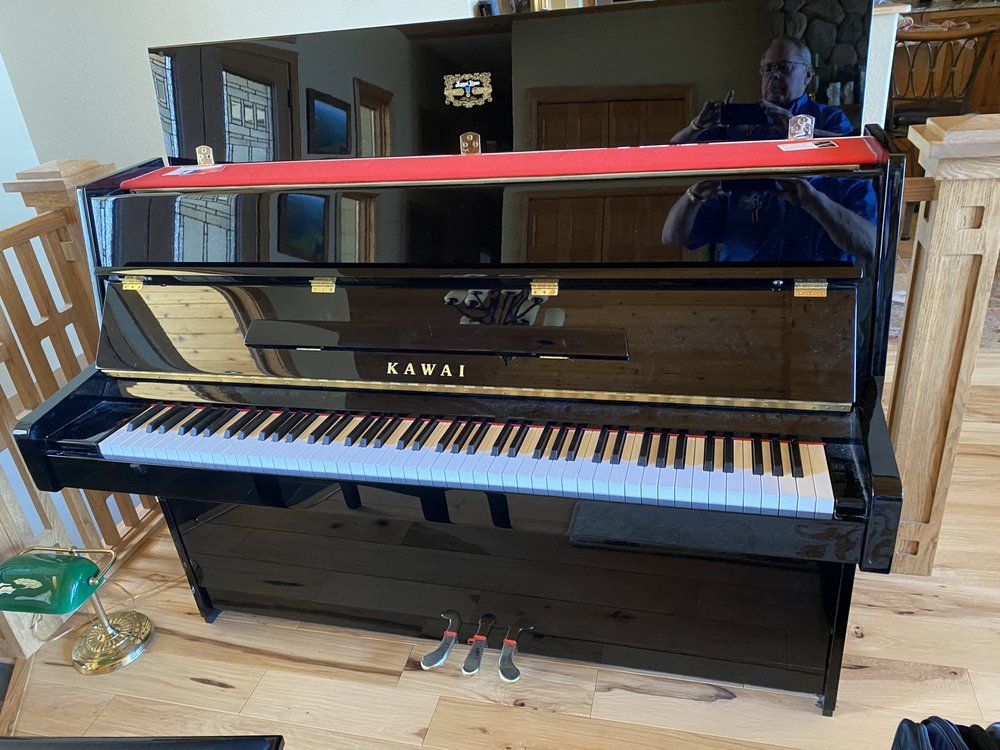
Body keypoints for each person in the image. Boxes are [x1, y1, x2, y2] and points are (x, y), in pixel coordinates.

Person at [671, 36, 852, 144]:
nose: (774, 75)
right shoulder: (740, 120)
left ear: (808, 74)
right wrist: (698, 126)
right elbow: (675, 150)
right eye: (768, 68)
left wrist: (794, 129)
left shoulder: (829, 118)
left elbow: (848, 150)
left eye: (784, 67)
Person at [660, 176, 876, 262]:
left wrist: (815, 203)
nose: (774, 77)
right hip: (745, 298)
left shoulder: (850, 184)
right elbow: (672, 238)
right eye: (768, 73)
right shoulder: (737, 185)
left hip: (819, 296)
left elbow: (872, 248)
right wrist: (693, 196)